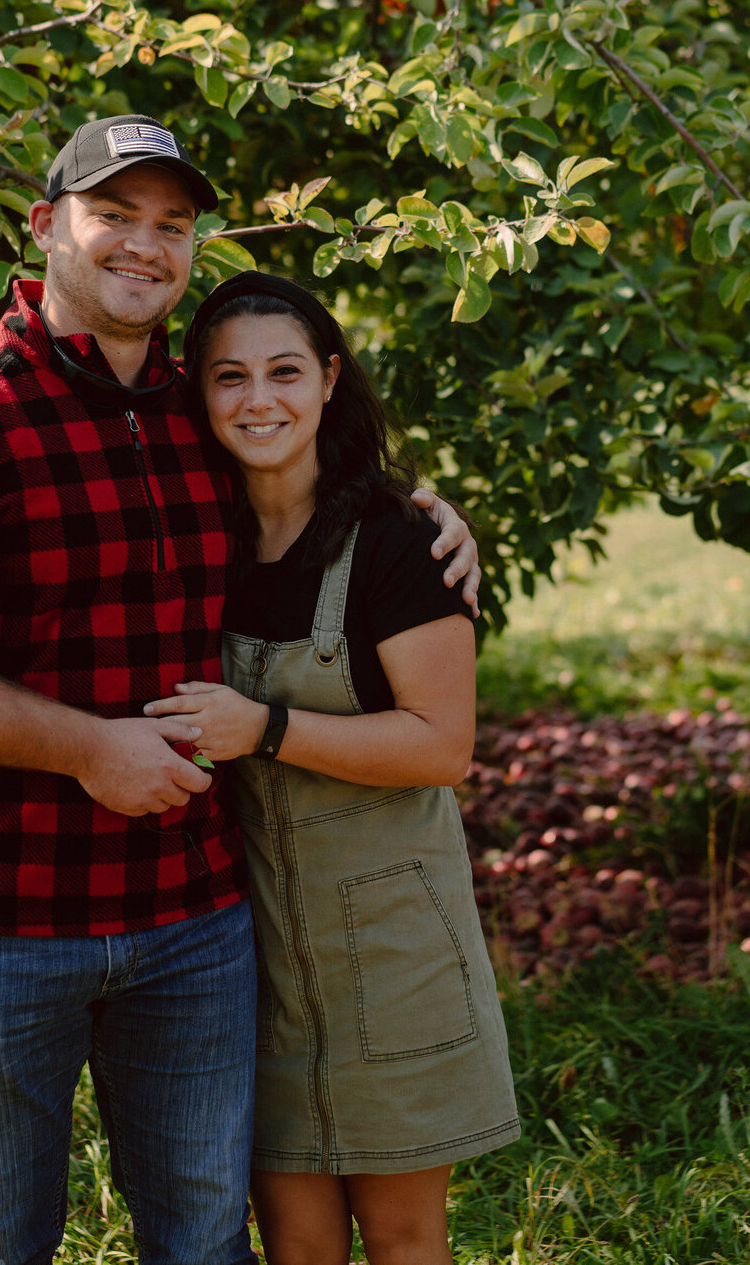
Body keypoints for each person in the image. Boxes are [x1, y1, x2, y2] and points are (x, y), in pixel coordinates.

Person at [0, 113, 480, 1265]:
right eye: (113, 215)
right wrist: (87, 747)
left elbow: (306, 466)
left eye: (171, 225)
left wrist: (423, 513)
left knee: (201, 1240)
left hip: (193, 920)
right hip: (0, 920)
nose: (144, 245)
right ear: (43, 229)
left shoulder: (194, 412)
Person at [144, 271, 519, 1265]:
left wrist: (264, 727)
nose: (257, 399)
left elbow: (443, 745)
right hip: (248, 959)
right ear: (199, 392)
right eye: (229, 377)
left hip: (392, 948)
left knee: (401, 1238)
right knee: (295, 1244)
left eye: (283, 372)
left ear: (328, 380)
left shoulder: (398, 541)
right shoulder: (198, 534)